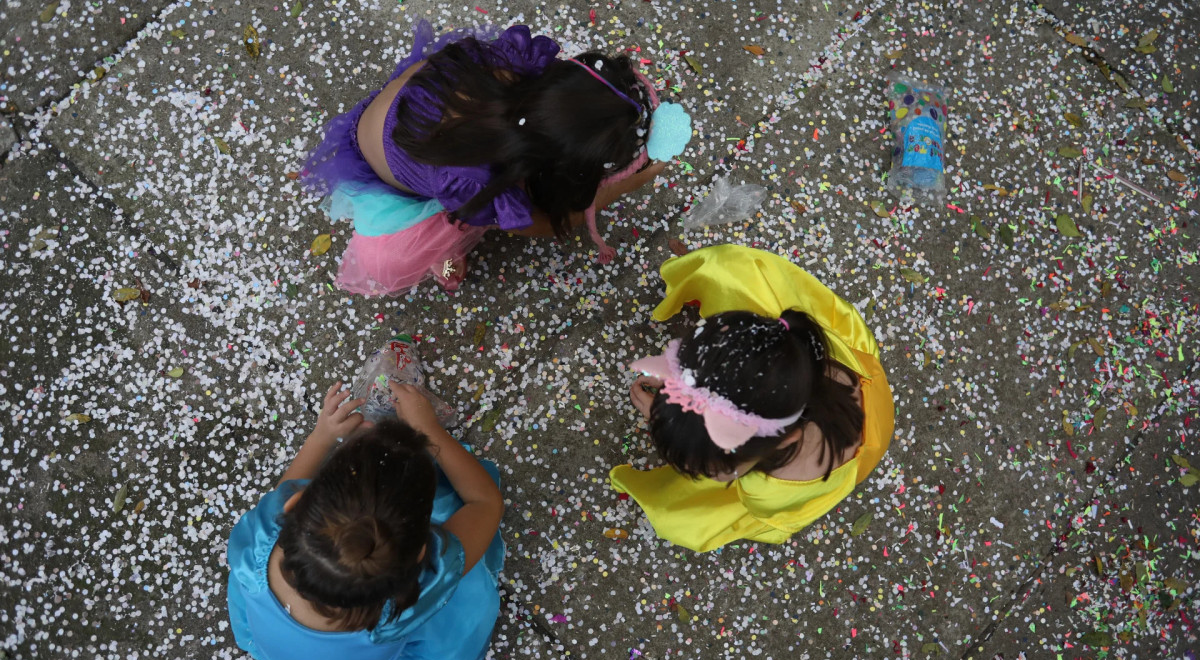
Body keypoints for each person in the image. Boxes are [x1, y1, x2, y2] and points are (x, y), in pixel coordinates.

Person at [302, 22, 672, 293]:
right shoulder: (477, 179)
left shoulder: (515, 66)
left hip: (401, 117)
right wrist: (614, 191)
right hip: (391, 179)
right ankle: (440, 258)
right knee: (438, 238)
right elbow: (537, 224)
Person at [609, 244, 895, 552]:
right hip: (869, 390)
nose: (711, 476)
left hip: (861, 446)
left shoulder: (769, 491)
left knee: (680, 518)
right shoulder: (804, 360)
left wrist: (664, 416)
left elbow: (769, 510)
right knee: (734, 272)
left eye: (712, 470)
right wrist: (679, 392)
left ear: (785, 440)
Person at [226, 381, 505, 660]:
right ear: (423, 553)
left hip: (288, 653)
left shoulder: (259, 544)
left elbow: (283, 490)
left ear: (294, 504)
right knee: (466, 594)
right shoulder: (406, 604)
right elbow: (485, 503)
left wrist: (321, 437)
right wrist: (431, 431)